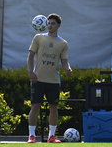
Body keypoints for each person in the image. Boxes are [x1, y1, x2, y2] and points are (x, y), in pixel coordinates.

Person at [27, 13, 72, 143]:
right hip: (38, 79)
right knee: (35, 106)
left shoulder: (63, 43)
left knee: (53, 108)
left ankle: (51, 136)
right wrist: (30, 72)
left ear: (58, 25)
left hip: (53, 81)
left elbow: (64, 62)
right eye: (48, 23)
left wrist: (68, 69)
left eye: (53, 23)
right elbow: (30, 56)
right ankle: (31, 136)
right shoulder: (38, 38)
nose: (50, 25)